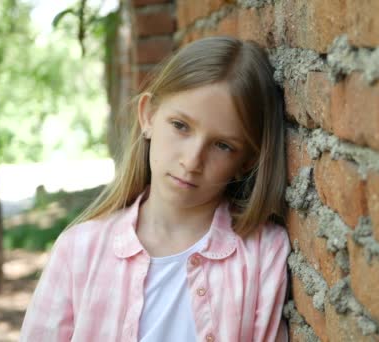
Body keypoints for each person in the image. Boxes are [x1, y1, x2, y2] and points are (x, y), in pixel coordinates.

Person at [20, 36, 290, 342]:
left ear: (247, 160)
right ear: (148, 115)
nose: (192, 161)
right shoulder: (78, 250)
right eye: (180, 126)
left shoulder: (263, 252)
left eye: (223, 145)